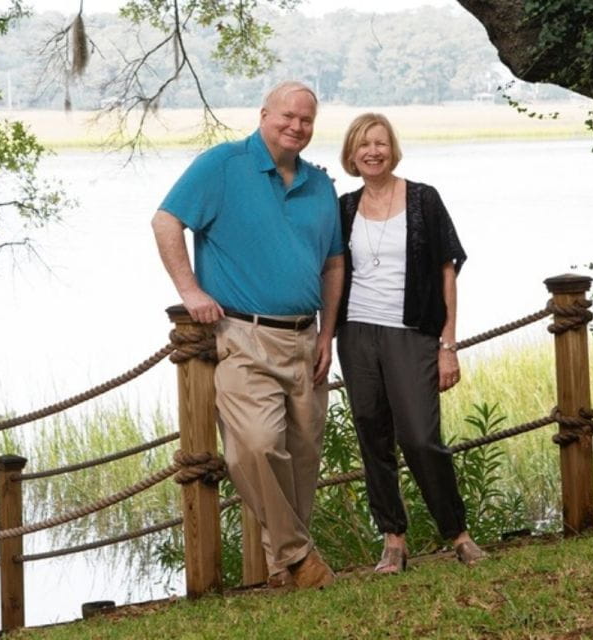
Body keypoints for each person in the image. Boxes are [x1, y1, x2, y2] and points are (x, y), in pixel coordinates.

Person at [151, 81, 344, 590]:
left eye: (306, 120)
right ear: (264, 114)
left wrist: (329, 332)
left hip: (307, 340)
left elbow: (333, 262)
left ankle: (285, 569)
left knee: (302, 462)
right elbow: (166, 221)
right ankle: (299, 557)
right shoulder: (223, 166)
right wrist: (190, 289)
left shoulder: (320, 185)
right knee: (253, 449)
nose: (296, 126)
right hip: (242, 335)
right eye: (287, 116)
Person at [335, 113, 485, 574]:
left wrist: (448, 344)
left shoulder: (423, 199)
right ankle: (393, 541)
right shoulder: (343, 207)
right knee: (371, 432)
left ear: (391, 148)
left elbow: (447, 272)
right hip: (356, 332)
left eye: (380, 143)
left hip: (413, 332)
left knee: (420, 437)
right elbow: (328, 268)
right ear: (352, 154)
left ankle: (457, 533)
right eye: (364, 145)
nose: (373, 152)